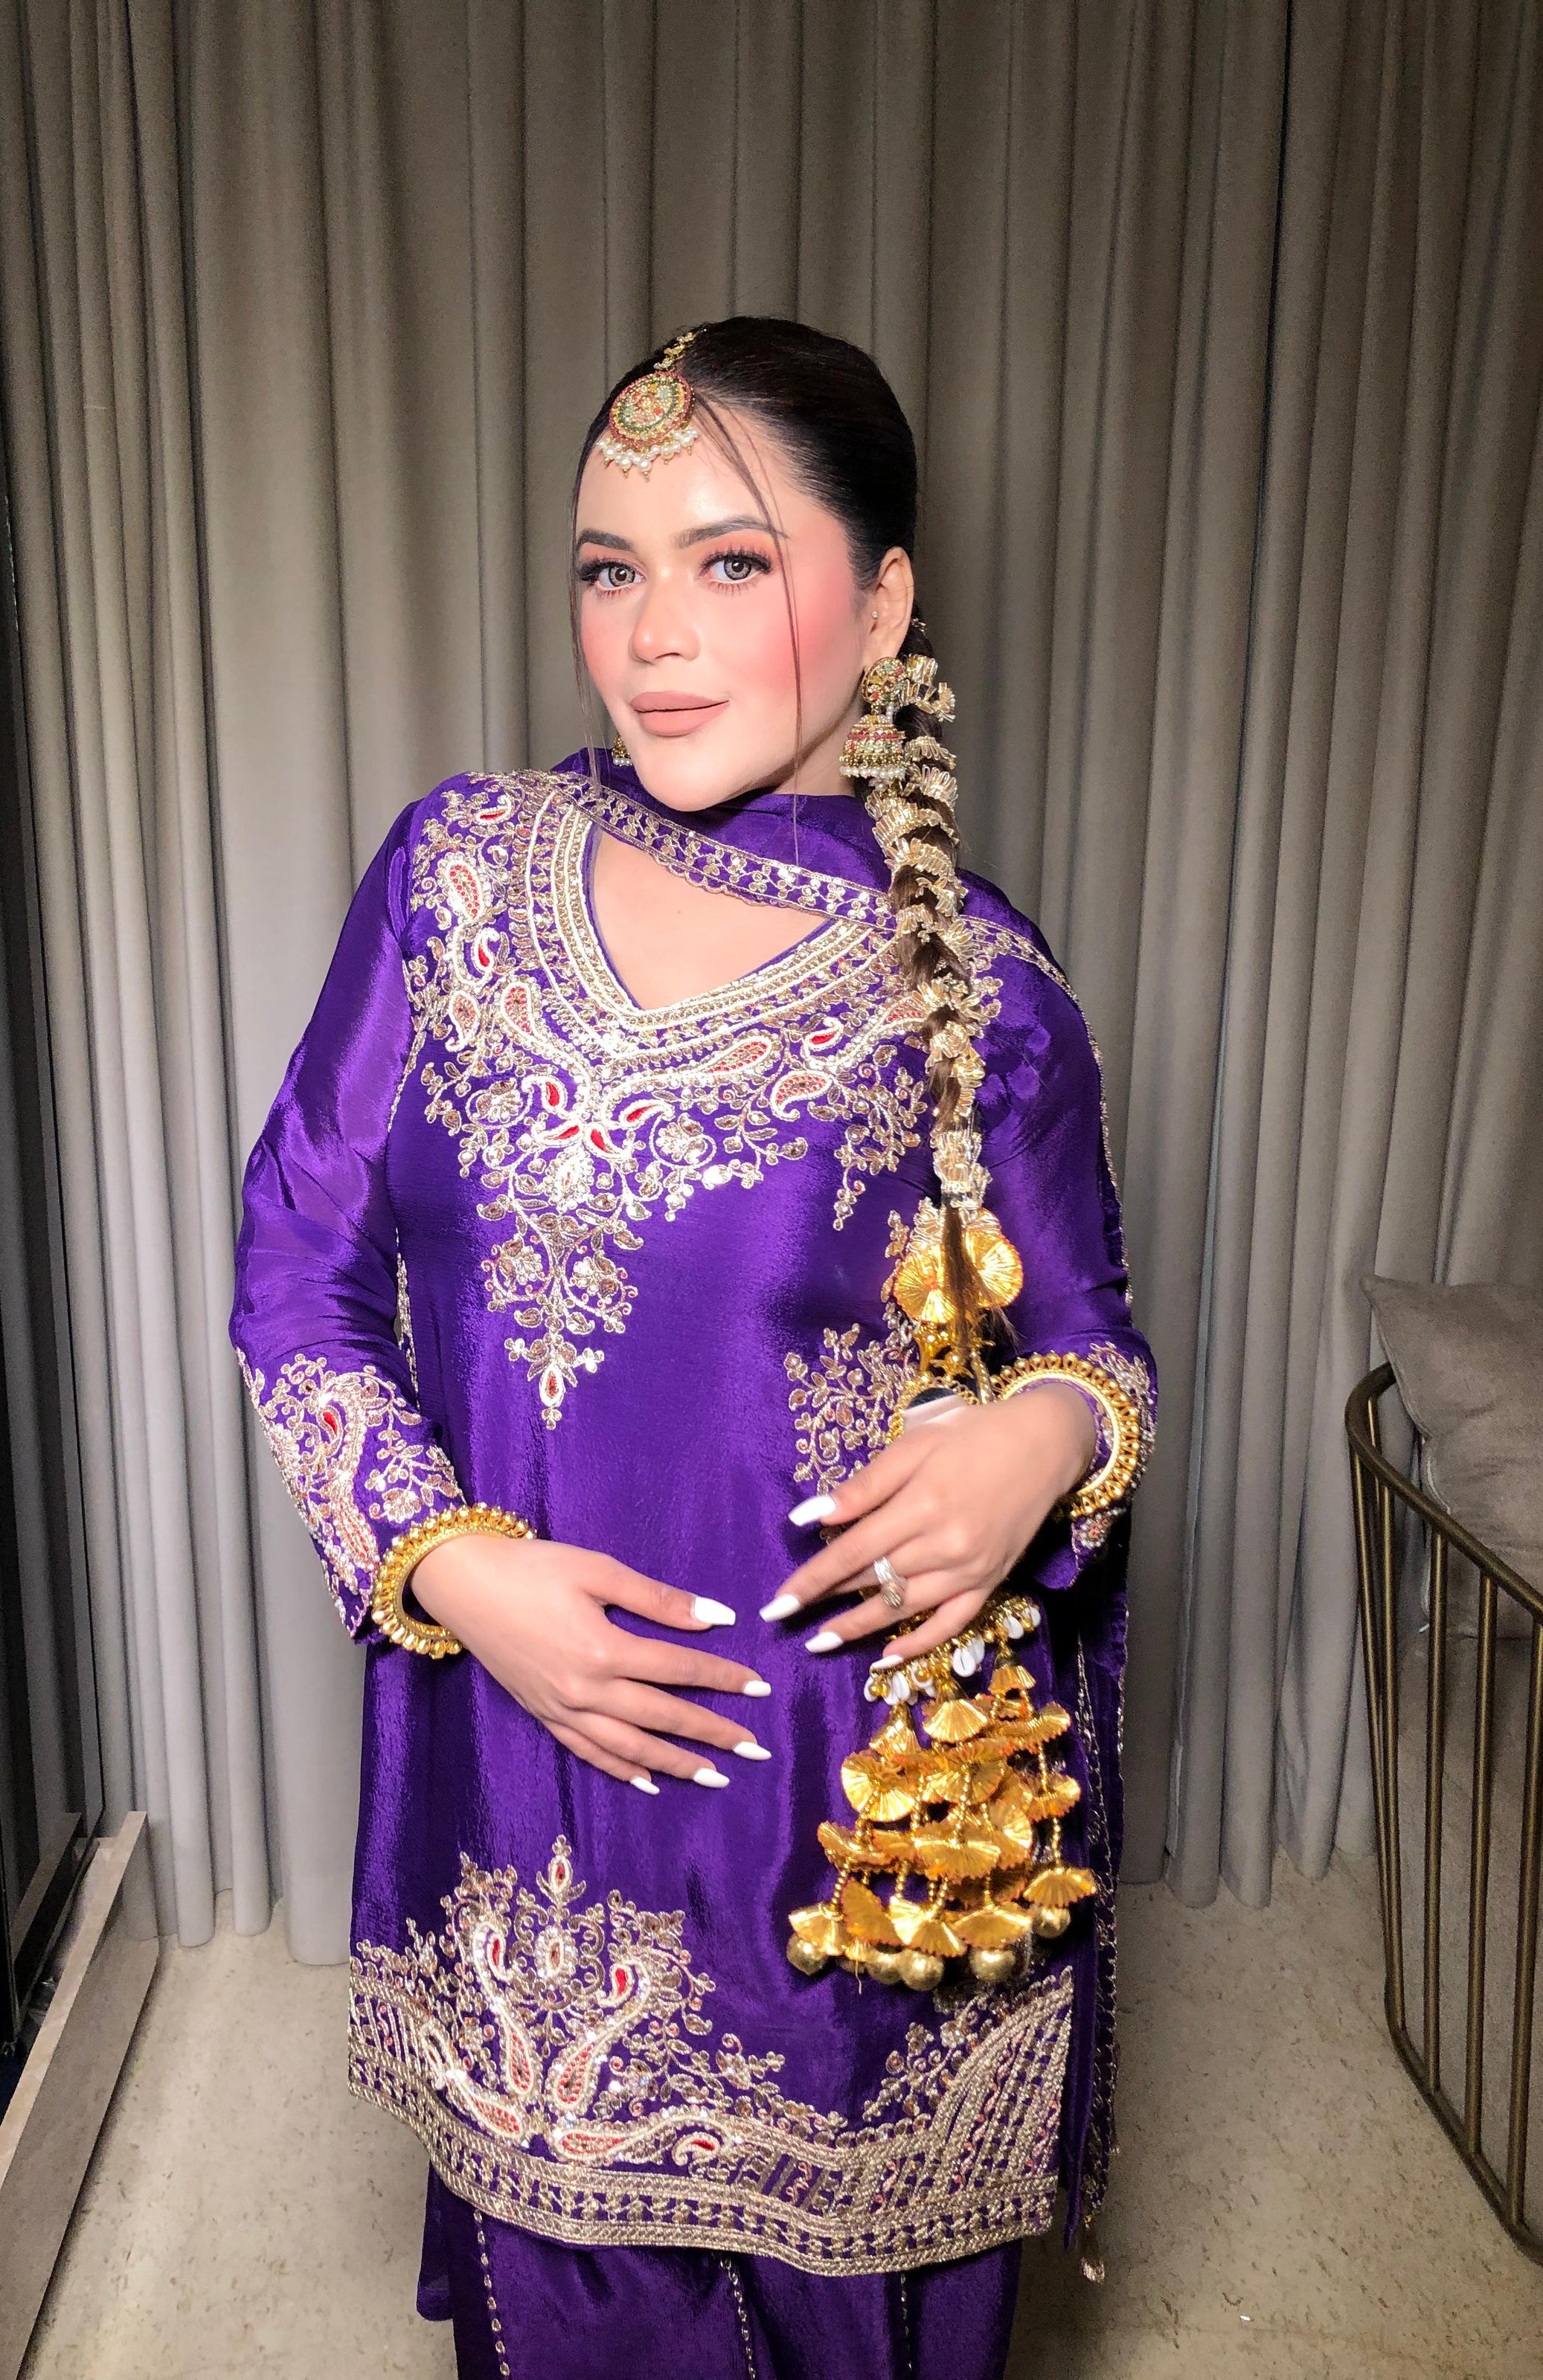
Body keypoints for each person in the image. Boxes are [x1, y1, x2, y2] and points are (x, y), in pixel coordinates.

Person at [230, 315, 1155, 2380]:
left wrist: (1040, 1441)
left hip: (853, 1834)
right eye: (608, 568)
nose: (652, 636)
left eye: (731, 563)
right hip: (529, 1795)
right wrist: (453, 1568)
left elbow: (1098, 1349)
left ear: (883, 605)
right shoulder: (457, 878)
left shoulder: (981, 994)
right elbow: (296, 1266)